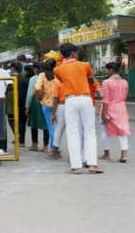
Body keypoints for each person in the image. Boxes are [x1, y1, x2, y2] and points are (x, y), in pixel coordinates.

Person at [54, 43, 103, 174]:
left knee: (72, 132)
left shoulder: (58, 69)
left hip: (70, 100)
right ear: (73, 53)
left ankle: (76, 166)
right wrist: (98, 89)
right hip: (86, 98)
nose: (78, 54)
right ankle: (92, 164)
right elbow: (91, 80)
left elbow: (63, 81)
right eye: (77, 52)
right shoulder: (85, 65)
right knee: (90, 131)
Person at [99, 62, 131, 163]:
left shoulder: (106, 82)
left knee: (104, 130)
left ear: (111, 70)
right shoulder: (125, 82)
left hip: (109, 108)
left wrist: (104, 113)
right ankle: (124, 154)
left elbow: (106, 99)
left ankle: (106, 153)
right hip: (121, 107)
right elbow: (125, 97)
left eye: (106, 70)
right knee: (122, 131)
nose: (106, 71)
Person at [35, 58, 59, 157]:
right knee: (57, 127)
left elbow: (37, 88)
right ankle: (54, 148)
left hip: (46, 103)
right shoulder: (57, 74)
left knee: (51, 127)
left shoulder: (42, 75)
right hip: (58, 103)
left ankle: (54, 149)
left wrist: (39, 98)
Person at [25, 63, 49, 153]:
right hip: (47, 101)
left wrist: (27, 107)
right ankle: (46, 146)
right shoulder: (49, 77)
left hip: (35, 102)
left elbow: (30, 93)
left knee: (34, 124)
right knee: (46, 124)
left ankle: (34, 144)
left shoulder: (33, 79)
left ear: (36, 69)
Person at [6, 62, 29, 146]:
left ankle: (17, 136)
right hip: (23, 103)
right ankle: (21, 141)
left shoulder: (11, 79)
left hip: (13, 103)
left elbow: (7, 90)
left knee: (11, 120)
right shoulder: (25, 79)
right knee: (22, 122)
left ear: (13, 68)